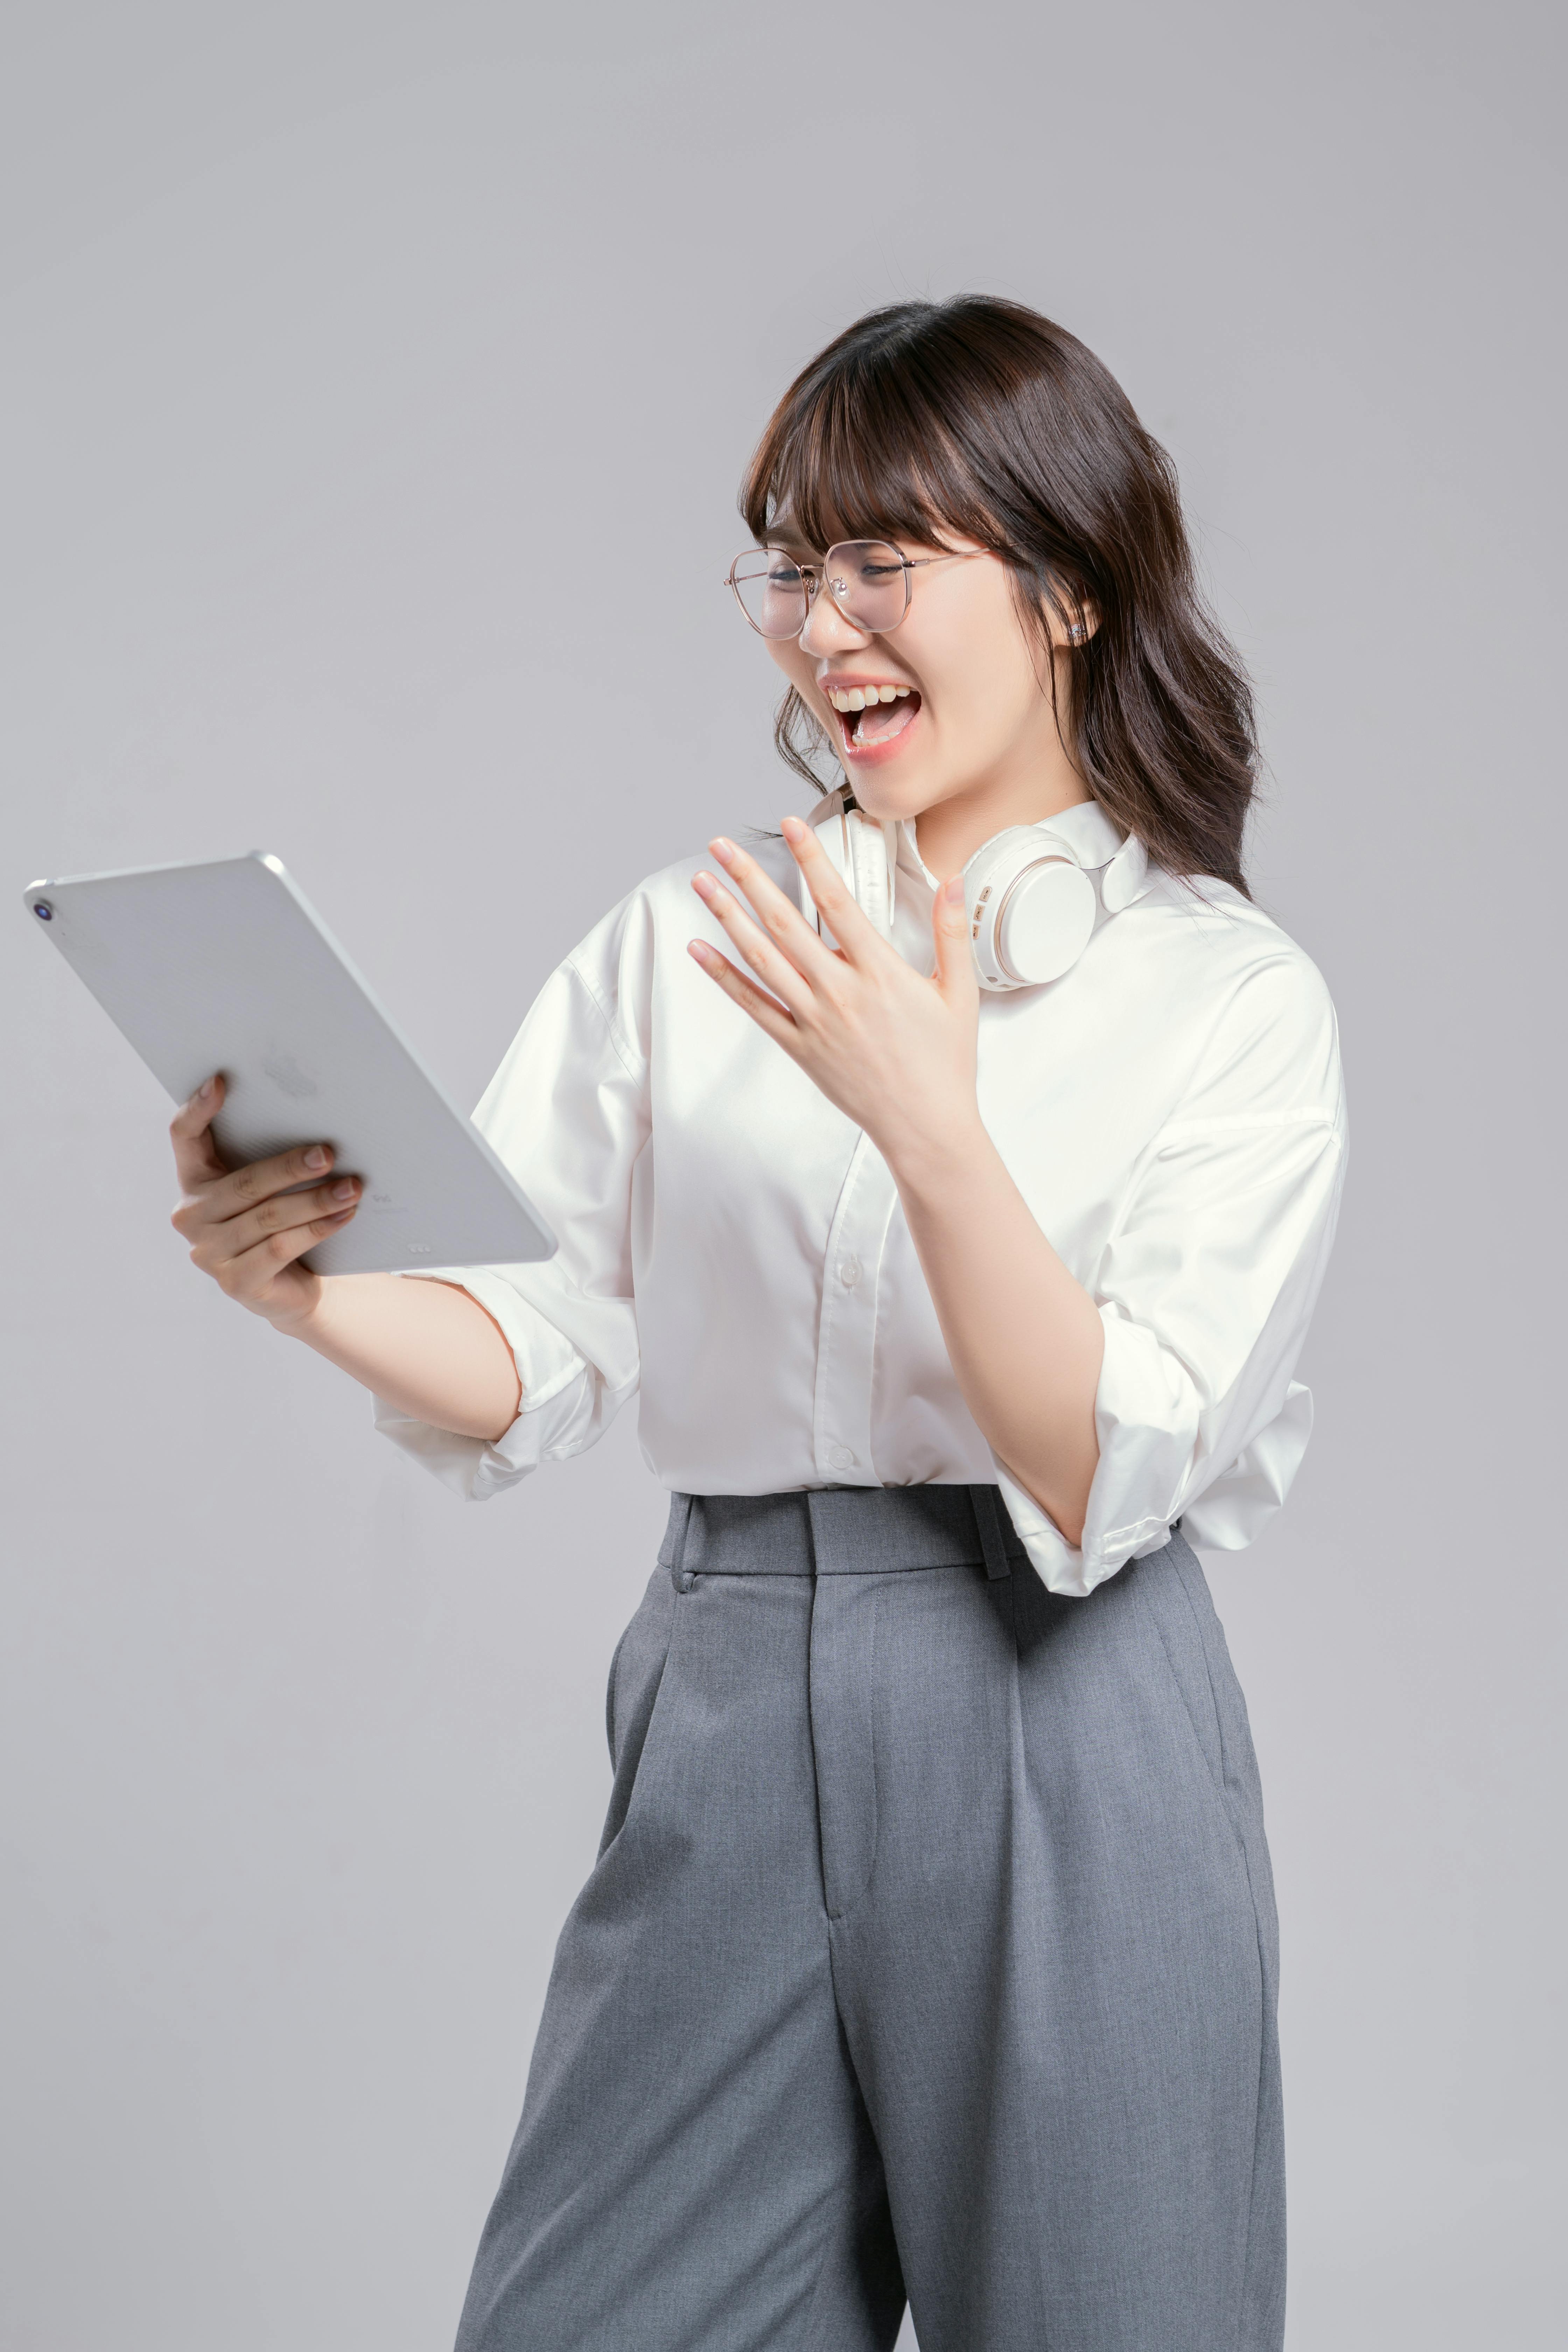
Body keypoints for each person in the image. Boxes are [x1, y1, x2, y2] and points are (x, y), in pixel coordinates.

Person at [167, 297, 1346, 2352]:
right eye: (795, 564)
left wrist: (928, 1123)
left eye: (888, 560)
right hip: (727, 1672)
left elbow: (1095, 1466)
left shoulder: (1230, 1001)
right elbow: (529, 1348)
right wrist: (318, 1286)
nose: (824, 624)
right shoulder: (695, 937)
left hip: (1063, 1707)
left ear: (1067, 589)